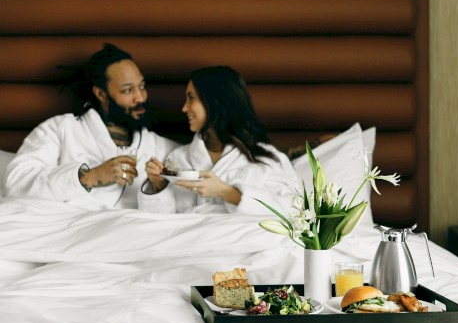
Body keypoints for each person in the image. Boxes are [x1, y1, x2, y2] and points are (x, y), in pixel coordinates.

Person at [3, 43, 179, 209]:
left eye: (142, 86)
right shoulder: (60, 130)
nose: (140, 97)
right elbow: (16, 184)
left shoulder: (162, 149)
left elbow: (191, 201)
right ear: (101, 94)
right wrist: (89, 177)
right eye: (127, 90)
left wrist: (157, 187)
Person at [139, 66, 297, 215]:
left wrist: (227, 193)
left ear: (215, 102)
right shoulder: (178, 158)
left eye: (191, 98)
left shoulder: (266, 160)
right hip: (188, 241)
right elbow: (159, 224)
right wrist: (157, 186)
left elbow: (295, 210)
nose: (184, 108)